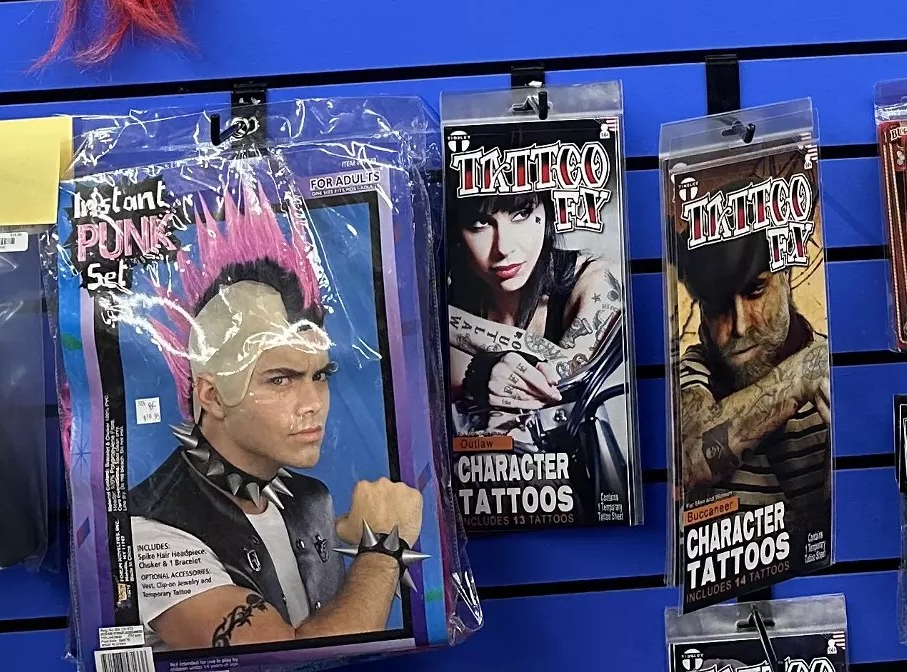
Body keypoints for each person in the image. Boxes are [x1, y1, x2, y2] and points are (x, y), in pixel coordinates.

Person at [130, 178, 423, 650]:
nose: (313, 403)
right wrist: (382, 548)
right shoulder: (152, 531)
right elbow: (284, 655)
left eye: (320, 376)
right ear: (212, 395)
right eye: (281, 379)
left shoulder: (310, 500)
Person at [444, 182, 629, 500]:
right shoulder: (457, 294)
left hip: (582, 498)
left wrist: (446, 322)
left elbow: (558, 378)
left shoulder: (597, 281)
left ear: (547, 212)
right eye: (479, 223)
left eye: (521, 213)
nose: (504, 248)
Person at [672, 232, 832, 558]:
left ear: (785, 278)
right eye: (718, 306)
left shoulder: (841, 371)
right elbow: (689, 456)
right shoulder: (692, 372)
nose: (740, 326)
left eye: (755, 291)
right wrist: (802, 376)